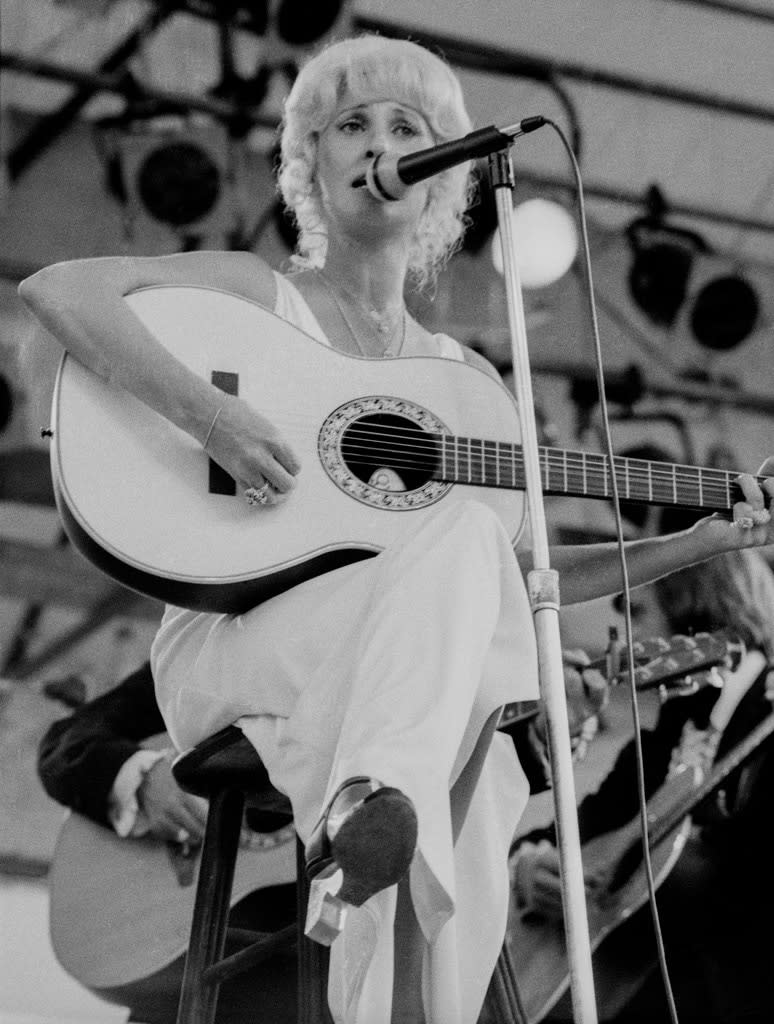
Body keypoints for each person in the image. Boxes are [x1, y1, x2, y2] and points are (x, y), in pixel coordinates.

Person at [18, 33, 774, 1024]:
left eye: (408, 128)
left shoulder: (462, 383)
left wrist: (705, 542)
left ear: (442, 182)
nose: (380, 143)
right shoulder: (262, 295)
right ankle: (391, 914)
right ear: (311, 162)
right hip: (241, 645)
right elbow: (60, 291)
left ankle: (368, 816)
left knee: (475, 583)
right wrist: (215, 417)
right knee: (478, 704)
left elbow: (528, 572)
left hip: (386, 667)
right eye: (351, 126)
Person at [38, 655, 607, 1024]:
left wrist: (538, 740)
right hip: (199, 978)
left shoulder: (400, 660)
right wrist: (143, 782)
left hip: (324, 971)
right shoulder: (215, 650)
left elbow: (447, 779)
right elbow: (67, 743)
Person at [510, 546, 774, 1024]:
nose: (628, 637)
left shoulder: (765, 725)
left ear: (695, 612)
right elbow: (578, 824)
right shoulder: (678, 721)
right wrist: (530, 865)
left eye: (634, 610)